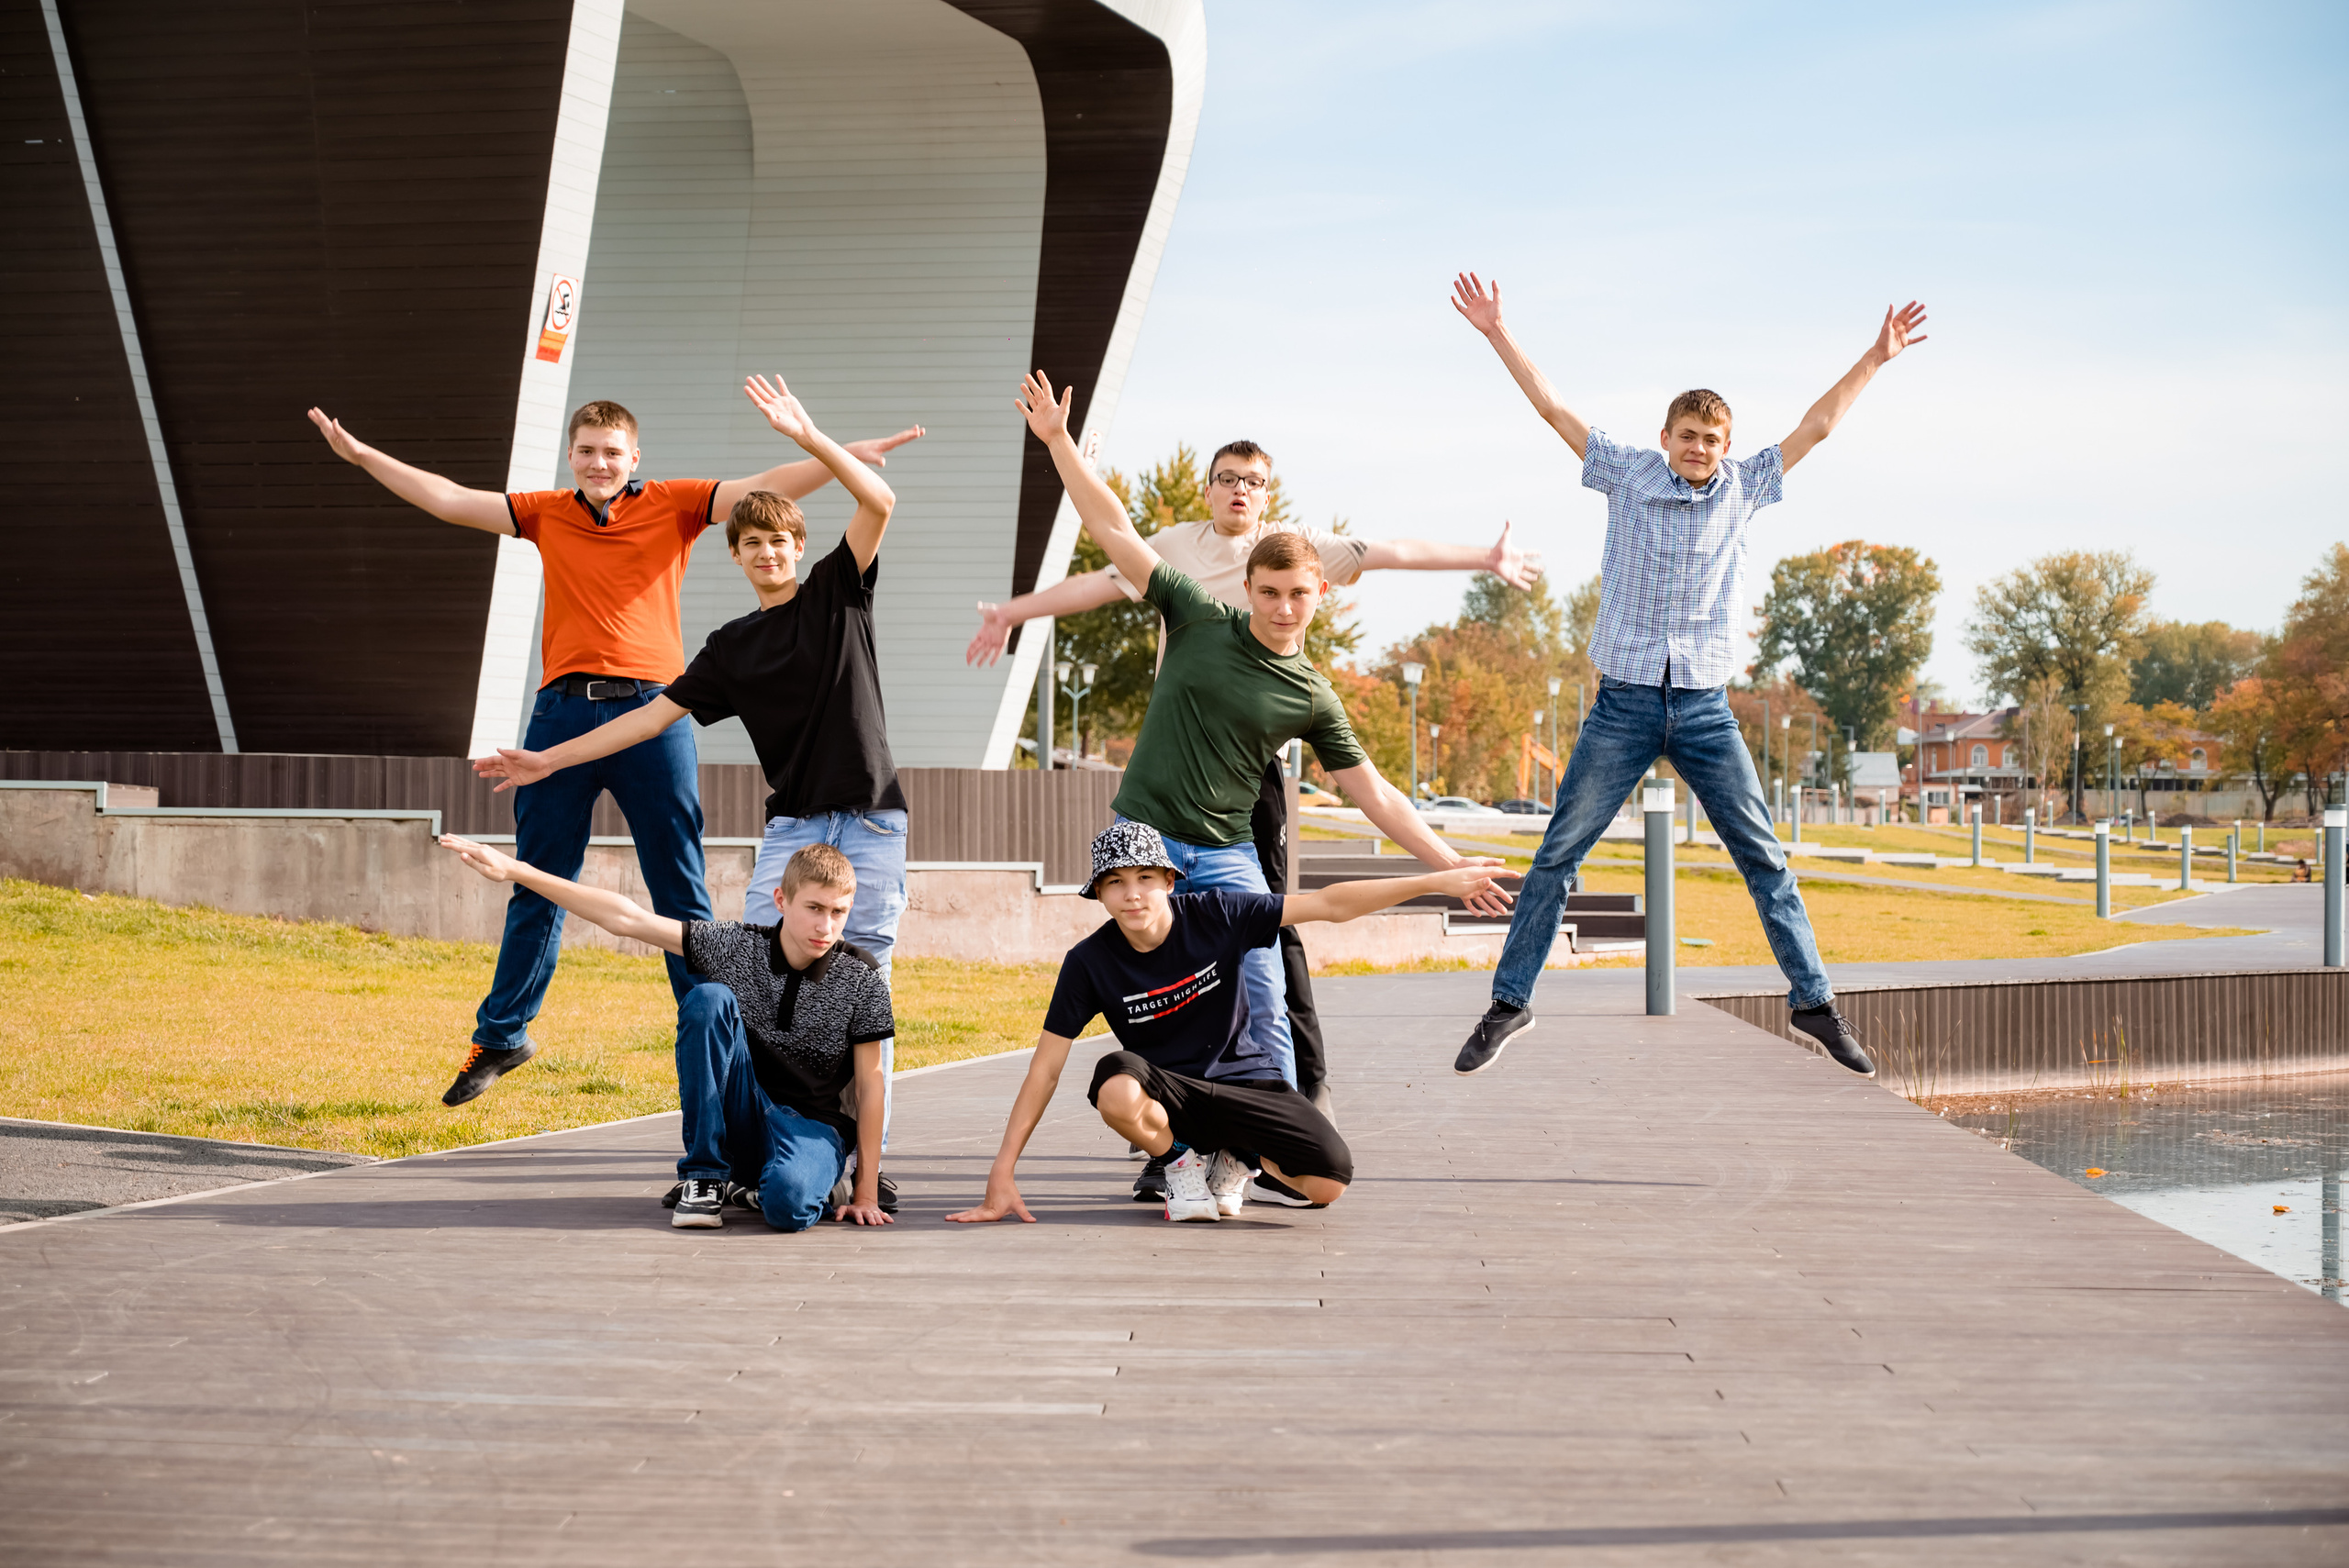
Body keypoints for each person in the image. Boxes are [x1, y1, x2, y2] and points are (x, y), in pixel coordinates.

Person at [307, 387, 920, 1107]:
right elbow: (449, 499)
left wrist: (839, 455)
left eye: (613, 453)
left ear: (635, 459)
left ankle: (716, 1050)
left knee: (681, 894)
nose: (600, 463)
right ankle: (503, 1033)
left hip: (650, 712)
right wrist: (361, 455)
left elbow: (764, 496)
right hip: (564, 711)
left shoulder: (675, 503)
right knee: (537, 877)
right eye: (587, 452)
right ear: (572, 458)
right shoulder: (544, 512)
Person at [1012, 372, 1514, 1204]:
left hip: (1226, 848)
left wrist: (1450, 862)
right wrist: (1061, 445)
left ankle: (1249, 1143)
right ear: (1248, 589)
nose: (1283, 608)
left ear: (1321, 597)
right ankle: (1173, 1148)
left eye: (1298, 596)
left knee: (1265, 993)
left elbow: (1374, 793)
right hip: (1147, 840)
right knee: (1155, 993)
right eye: (1269, 593)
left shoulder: (1311, 692)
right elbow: (1110, 524)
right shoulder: (1192, 614)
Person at [1443, 272, 1928, 1078]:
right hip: (1624, 703)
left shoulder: (1744, 489)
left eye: (1712, 438)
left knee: (1764, 857)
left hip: (1704, 708)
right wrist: (1498, 333)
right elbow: (1553, 409)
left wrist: (1876, 356)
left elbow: (1818, 426)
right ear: (1665, 438)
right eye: (1686, 435)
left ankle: (1813, 1001)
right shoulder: (1626, 473)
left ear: (1725, 446)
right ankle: (1510, 1001)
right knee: (1559, 850)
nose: (1698, 449)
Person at [947, 822, 1520, 1224]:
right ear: (1099, 894)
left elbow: (1329, 903)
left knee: (1329, 1182)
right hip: (1171, 1095)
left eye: (1145, 878)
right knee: (1114, 1081)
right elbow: (1045, 1071)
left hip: (1251, 1083)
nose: (1132, 894)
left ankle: (1237, 1160)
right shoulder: (1089, 962)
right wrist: (1003, 1170)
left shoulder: (1218, 913)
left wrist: (1432, 881)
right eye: (1115, 883)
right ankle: (1180, 1165)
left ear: (1169, 882)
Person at [440, 834, 896, 1232]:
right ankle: (705, 1177)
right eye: (814, 908)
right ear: (781, 900)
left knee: (788, 1210)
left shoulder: (862, 977)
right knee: (707, 999)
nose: (825, 926)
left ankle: (784, 1186)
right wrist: (517, 870)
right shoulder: (739, 947)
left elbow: (871, 1084)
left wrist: (866, 1191)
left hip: (815, 1129)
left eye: (838, 912)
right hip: (745, 1112)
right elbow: (628, 919)